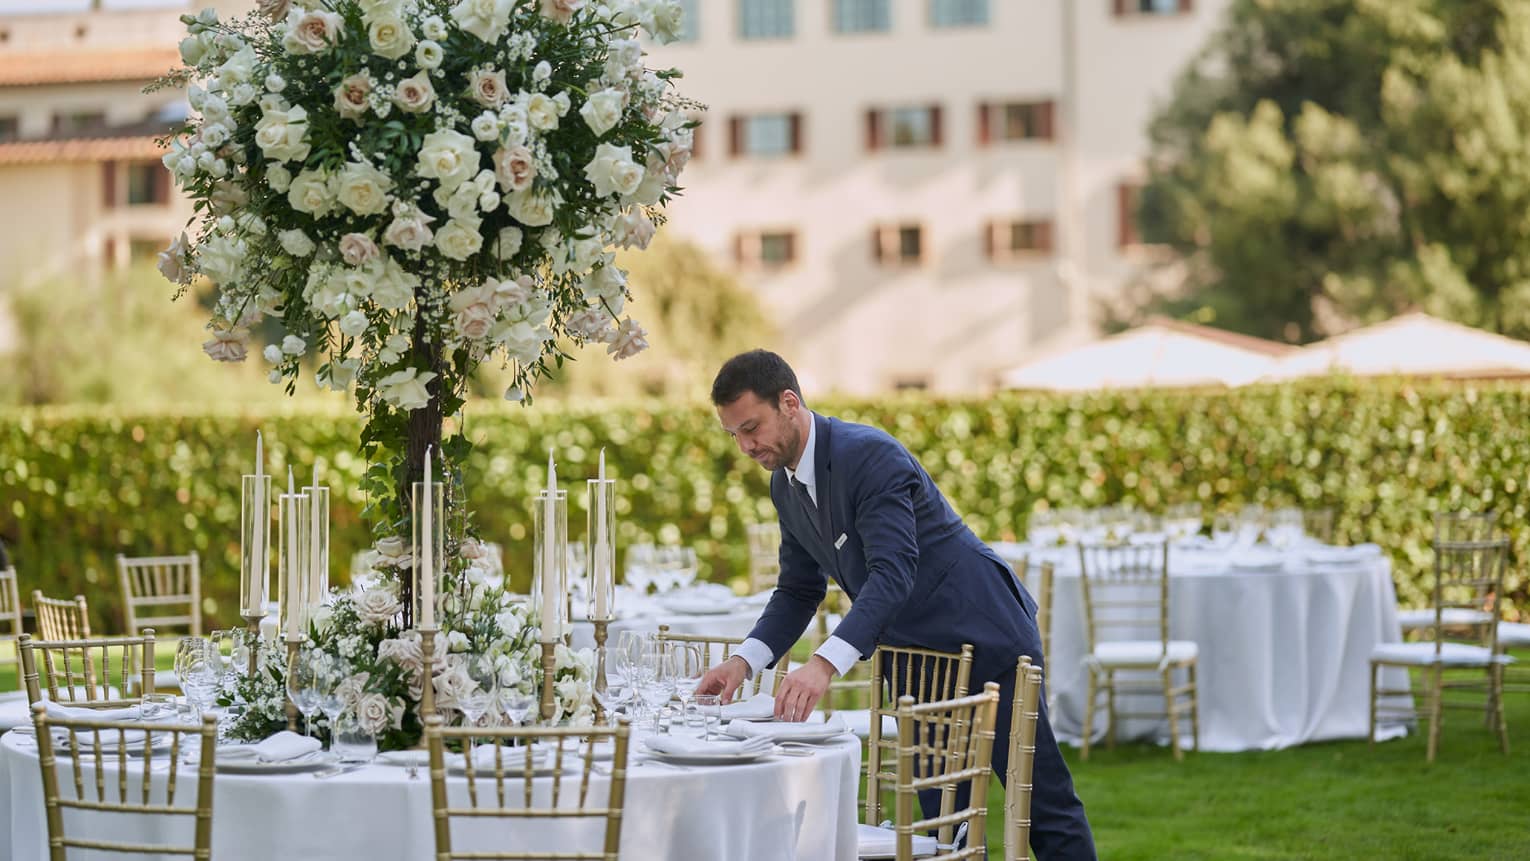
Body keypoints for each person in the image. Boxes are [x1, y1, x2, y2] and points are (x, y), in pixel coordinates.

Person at [696, 350, 1096, 860]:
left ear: (789, 403)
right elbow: (799, 589)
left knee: (1041, 800)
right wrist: (742, 661)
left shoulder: (870, 454)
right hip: (913, 660)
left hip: (986, 631)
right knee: (939, 824)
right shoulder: (784, 486)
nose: (746, 446)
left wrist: (823, 664)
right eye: (734, 435)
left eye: (751, 427)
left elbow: (894, 571)